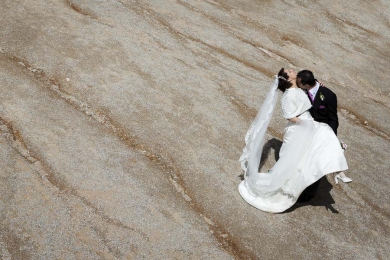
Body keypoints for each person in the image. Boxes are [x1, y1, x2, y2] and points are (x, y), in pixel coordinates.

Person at [238, 68, 348, 213]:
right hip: (299, 129)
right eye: (289, 71)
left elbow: (309, 83)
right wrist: (306, 124)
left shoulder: (300, 86)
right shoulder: (289, 95)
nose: (293, 69)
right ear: (288, 79)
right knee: (296, 159)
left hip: (308, 125)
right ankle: (287, 188)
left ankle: (338, 171)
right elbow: (290, 116)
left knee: (318, 146)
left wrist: (317, 84)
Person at [296, 70, 352, 202]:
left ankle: (309, 192)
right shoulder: (301, 89)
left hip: (320, 133)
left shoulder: (329, 95)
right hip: (303, 130)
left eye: (299, 83)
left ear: (306, 84)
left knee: (316, 162)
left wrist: (330, 137)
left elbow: (333, 119)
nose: (297, 85)